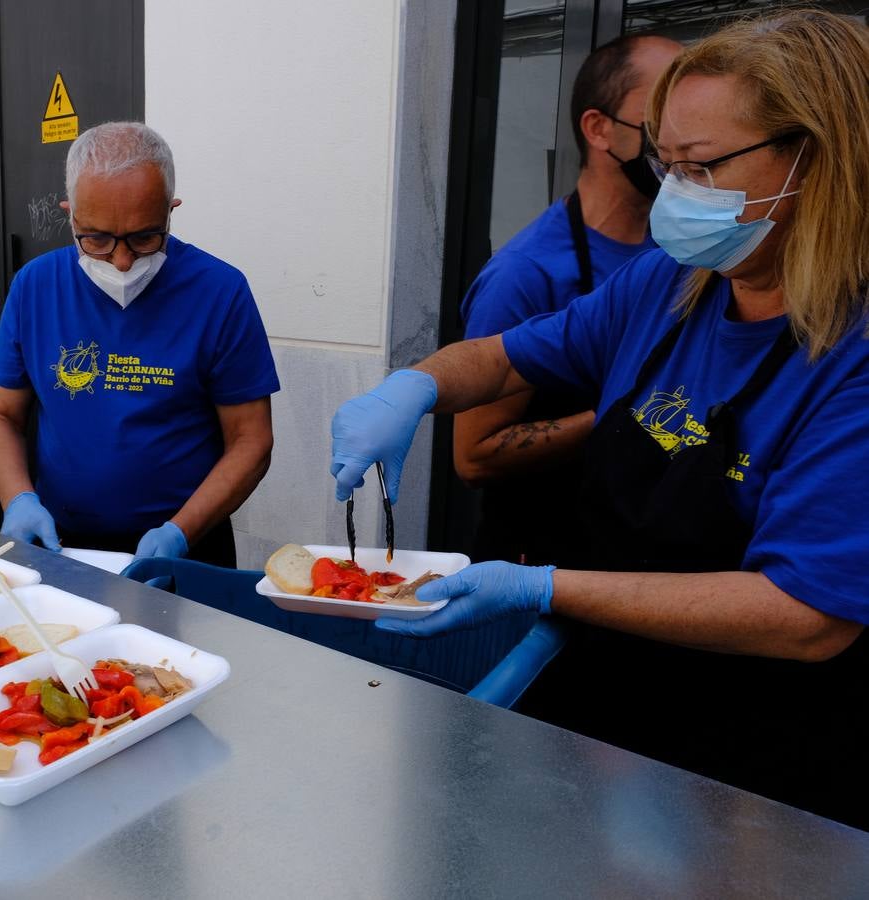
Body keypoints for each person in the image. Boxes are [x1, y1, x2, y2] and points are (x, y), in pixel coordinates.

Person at [330, 10, 869, 828]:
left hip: (757, 769)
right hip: (609, 710)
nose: (675, 192)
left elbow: (807, 617)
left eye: (700, 165)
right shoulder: (669, 284)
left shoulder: (852, 355)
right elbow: (508, 357)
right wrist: (411, 389)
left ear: (814, 160)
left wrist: (545, 585)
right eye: (665, 164)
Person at [0, 122, 279, 565]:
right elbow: (1, 414)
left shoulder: (219, 292)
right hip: (60, 542)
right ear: (70, 214)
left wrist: (181, 532)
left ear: (171, 210)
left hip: (186, 547)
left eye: (144, 237)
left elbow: (251, 440)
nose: (121, 261)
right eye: (96, 239)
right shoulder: (35, 287)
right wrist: (17, 498)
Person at [455, 35, 680, 565]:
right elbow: (474, 456)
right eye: (663, 117)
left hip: (644, 556)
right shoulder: (526, 273)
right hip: (543, 560)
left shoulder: (687, 252)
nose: (681, 138)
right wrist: (631, 415)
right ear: (599, 128)